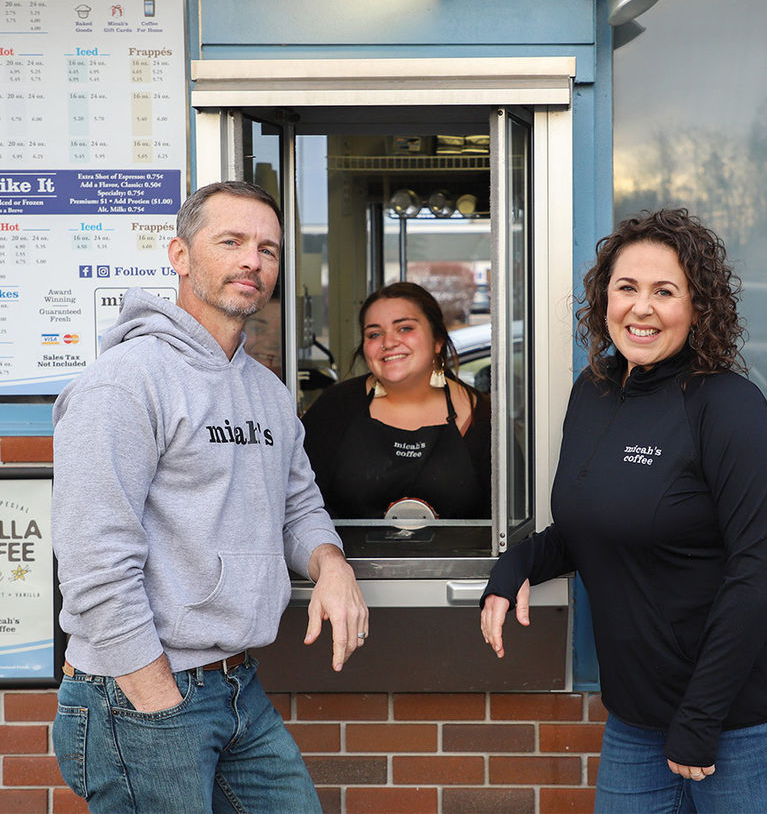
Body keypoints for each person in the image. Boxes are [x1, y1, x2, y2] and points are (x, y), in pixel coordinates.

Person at [480, 208, 767, 814]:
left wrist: (700, 718)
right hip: (640, 716)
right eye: (627, 288)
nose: (641, 308)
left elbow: (761, 574)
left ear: (698, 308)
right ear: (604, 299)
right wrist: (516, 566)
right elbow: (591, 524)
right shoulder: (591, 393)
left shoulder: (727, 407)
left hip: (750, 714)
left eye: (664, 292)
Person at [51, 180, 369, 814]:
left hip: (234, 686)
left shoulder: (267, 391)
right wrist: (153, 692)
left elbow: (298, 506)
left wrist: (331, 564)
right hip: (141, 690)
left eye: (269, 249)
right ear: (180, 255)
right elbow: (93, 557)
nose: (253, 260)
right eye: (231, 241)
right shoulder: (124, 383)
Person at [301, 281, 491, 519]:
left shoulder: (483, 417)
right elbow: (300, 506)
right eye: (374, 334)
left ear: (438, 340)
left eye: (405, 329)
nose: (388, 342)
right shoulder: (335, 408)